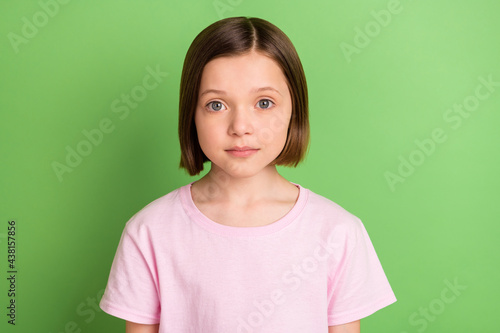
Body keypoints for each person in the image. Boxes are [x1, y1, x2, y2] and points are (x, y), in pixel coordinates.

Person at [99, 16, 397, 333]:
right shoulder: (149, 232)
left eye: (264, 103)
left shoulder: (338, 232)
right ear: (192, 114)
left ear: (294, 110)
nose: (240, 126)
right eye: (216, 105)